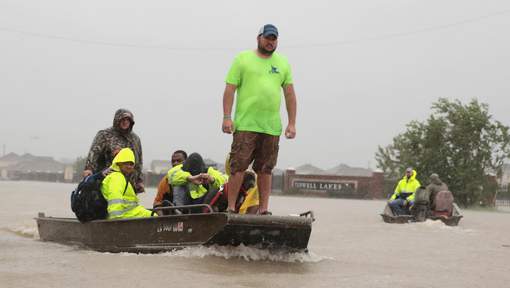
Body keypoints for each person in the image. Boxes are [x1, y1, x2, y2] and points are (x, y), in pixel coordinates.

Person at [221, 24, 297, 214]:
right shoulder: (243, 59)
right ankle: (231, 208)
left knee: (266, 169)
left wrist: (292, 123)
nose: (271, 42)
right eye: (268, 38)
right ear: (259, 38)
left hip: (271, 127)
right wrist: (227, 117)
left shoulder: (283, 63)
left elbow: (289, 95)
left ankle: (263, 209)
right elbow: (230, 89)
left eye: (274, 39)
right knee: (238, 166)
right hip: (246, 124)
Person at [83, 108, 145, 193]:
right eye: (122, 119)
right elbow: (94, 153)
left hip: (129, 184)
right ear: (117, 120)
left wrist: (139, 180)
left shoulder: (135, 139)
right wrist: (88, 169)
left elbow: (139, 161)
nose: (125, 122)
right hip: (109, 182)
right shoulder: (104, 135)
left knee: (129, 204)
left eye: (128, 120)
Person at [101, 148, 154, 219]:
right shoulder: (116, 178)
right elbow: (115, 202)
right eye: (126, 163)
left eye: (131, 164)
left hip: (131, 214)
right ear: (119, 163)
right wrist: (116, 222)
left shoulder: (122, 177)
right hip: (126, 218)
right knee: (158, 218)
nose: (129, 166)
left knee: (156, 216)